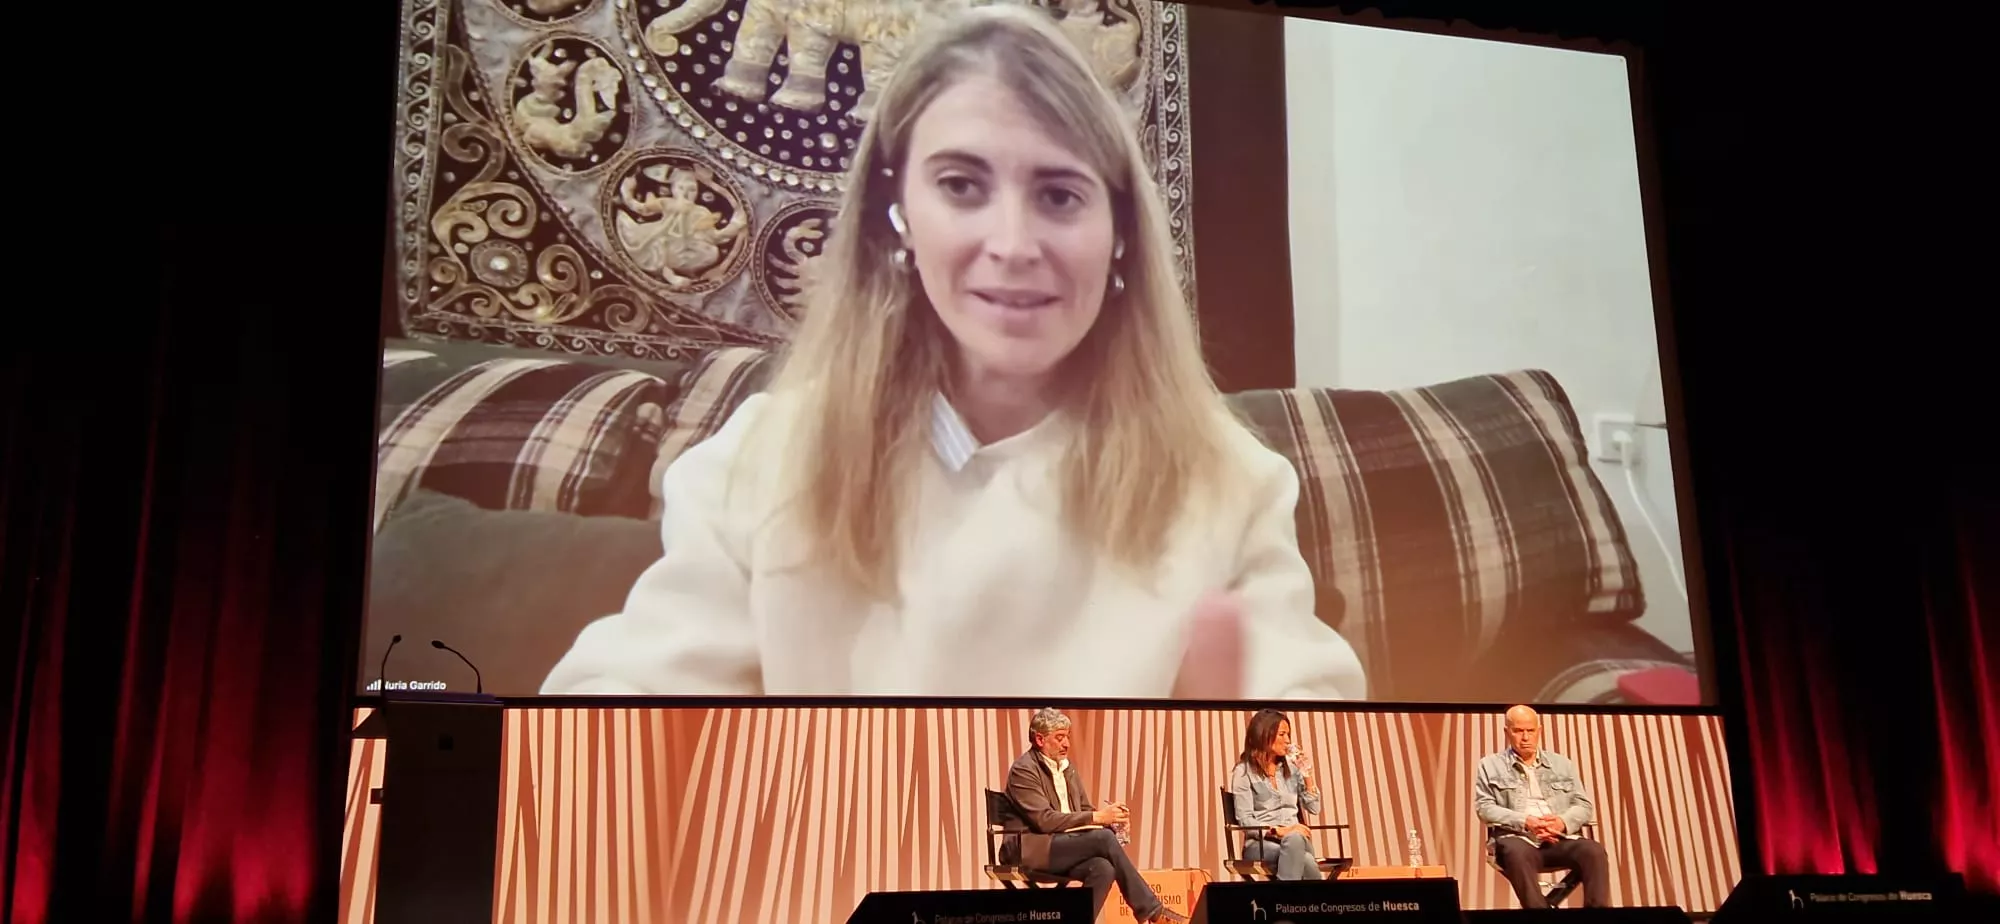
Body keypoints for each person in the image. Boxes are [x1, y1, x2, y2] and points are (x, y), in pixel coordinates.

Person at [539, 5, 1366, 698]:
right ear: (894, 215)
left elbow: (1315, 754)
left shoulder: (1230, 481)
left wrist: (1237, 769)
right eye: (962, 186)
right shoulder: (761, 460)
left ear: (1120, 236)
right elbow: (608, 724)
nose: (1012, 244)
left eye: (1058, 195)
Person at [1001, 709, 1185, 923]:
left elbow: (1085, 810)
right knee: (1103, 840)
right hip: (1029, 849)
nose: (1066, 744)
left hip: (1061, 846)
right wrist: (1098, 818)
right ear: (1040, 739)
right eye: (1059, 738)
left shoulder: (1068, 769)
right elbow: (1044, 820)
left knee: (1103, 868)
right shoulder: (1023, 770)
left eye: (1067, 737)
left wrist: (1112, 822)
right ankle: (1153, 912)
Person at [1473, 705, 1612, 908]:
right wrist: (1526, 822)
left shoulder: (1562, 763)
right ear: (1507, 732)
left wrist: (1561, 822)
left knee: (1594, 851)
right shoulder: (1490, 765)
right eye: (1518, 731)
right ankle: (1539, 917)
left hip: (1559, 839)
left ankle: (1597, 918)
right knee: (1515, 851)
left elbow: (1583, 804)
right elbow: (1484, 807)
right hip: (1518, 839)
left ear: (1539, 730)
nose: (1525, 737)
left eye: (1530, 730)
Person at [1227, 709, 1325, 880]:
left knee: (1295, 841)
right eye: (1282, 734)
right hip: (1261, 844)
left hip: (1295, 841)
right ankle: (1319, 904)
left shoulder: (1292, 769)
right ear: (1263, 735)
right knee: (1305, 858)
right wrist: (1279, 831)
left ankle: (1282, 903)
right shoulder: (1243, 772)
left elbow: (1314, 808)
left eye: (1288, 734)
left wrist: (1307, 774)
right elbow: (1245, 820)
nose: (1288, 740)